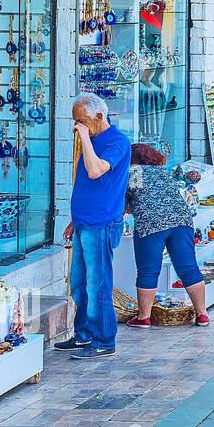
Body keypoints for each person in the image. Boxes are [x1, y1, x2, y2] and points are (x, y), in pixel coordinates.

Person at [56, 93, 131, 360]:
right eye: (76, 121)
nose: (77, 127)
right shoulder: (91, 139)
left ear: (99, 116)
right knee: (78, 282)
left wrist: (85, 138)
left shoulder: (117, 142)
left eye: (81, 121)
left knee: (98, 283)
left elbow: (95, 170)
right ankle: (84, 334)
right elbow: (84, 184)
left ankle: (104, 340)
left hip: (101, 224)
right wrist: (73, 220)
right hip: (84, 222)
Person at [125, 143, 209, 328]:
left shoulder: (130, 173)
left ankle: (143, 318)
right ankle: (202, 314)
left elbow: (123, 205)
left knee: (148, 270)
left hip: (151, 225)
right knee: (188, 268)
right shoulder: (162, 171)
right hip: (181, 221)